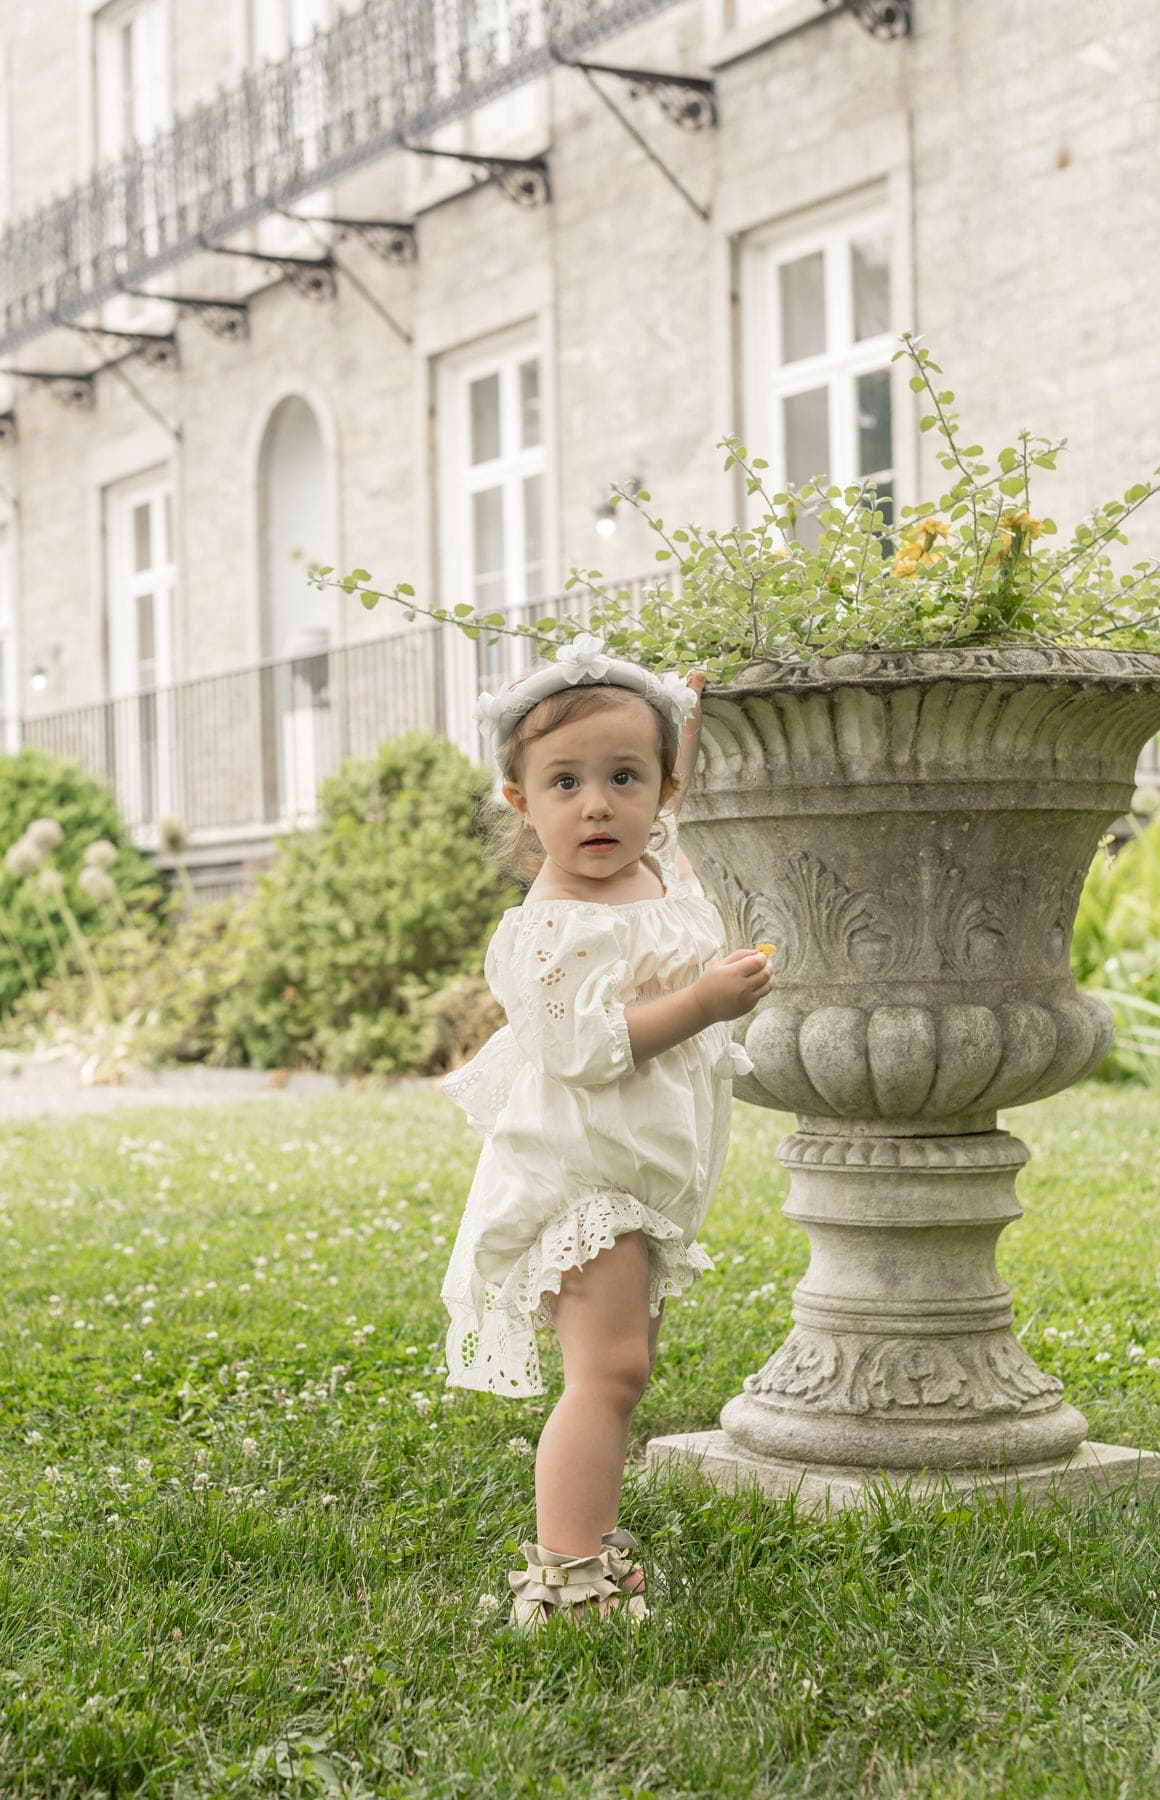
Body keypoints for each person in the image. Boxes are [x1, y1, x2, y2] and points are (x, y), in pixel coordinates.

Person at [439, 634, 775, 1629]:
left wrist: (686, 704)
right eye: (566, 782)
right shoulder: (550, 928)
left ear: (661, 790)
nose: (597, 805)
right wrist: (705, 1003)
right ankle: (564, 1578)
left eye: (623, 779)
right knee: (609, 1370)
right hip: (581, 1175)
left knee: (625, 1364)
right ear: (520, 802)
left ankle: (589, 1539)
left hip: (639, 1172)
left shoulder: (650, 860)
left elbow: (670, 779)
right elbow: (585, 1051)